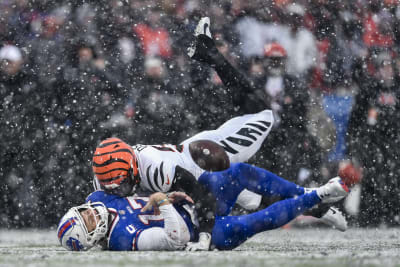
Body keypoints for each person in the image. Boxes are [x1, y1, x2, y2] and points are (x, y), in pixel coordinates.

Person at [90, 17, 347, 250]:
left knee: (262, 117)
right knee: (253, 201)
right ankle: (317, 204)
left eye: (123, 183)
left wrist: (204, 237)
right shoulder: (109, 172)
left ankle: (212, 55)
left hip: (199, 161)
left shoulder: (158, 170)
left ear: (133, 168)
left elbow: (200, 196)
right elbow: (101, 199)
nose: (120, 190)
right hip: (188, 161)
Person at [57, 169, 349, 251]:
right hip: (202, 234)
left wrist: (167, 194)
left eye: (82, 212)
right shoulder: (122, 238)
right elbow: (177, 238)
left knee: (235, 172)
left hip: (194, 205)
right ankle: (318, 195)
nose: (89, 214)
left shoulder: (99, 197)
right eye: (85, 222)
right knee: (256, 222)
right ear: (91, 239)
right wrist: (162, 201)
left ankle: (317, 205)